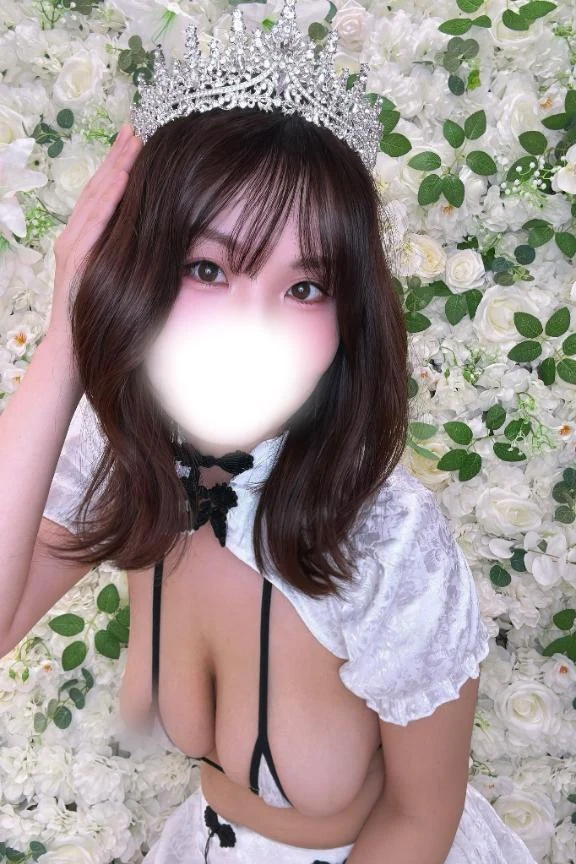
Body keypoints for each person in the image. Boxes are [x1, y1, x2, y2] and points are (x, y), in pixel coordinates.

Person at [0, 2, 539, 862]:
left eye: (305, 288)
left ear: (348, 313)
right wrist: (69, 333)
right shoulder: (125, 453)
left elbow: (418, 818)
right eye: (208, 268)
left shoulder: (388, 539)